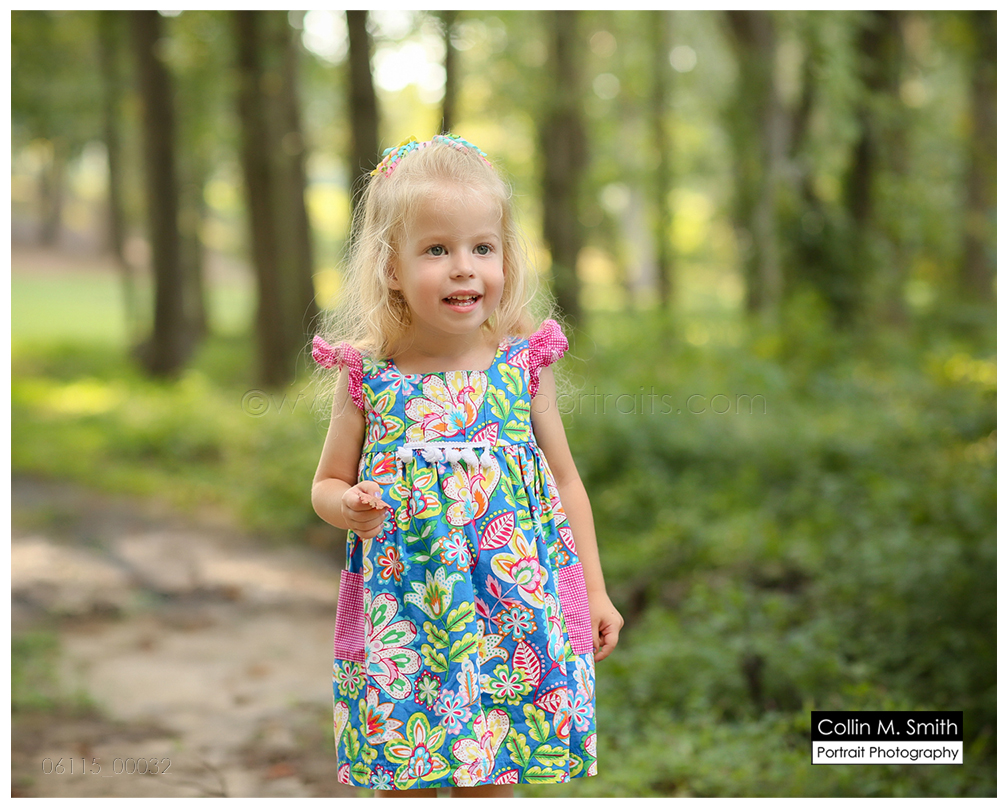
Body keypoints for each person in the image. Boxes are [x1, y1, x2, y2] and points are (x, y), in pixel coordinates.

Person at [310, 134, 623, 797]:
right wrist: (349, 505)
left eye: (482, 248)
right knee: (407, 776)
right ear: (391, 267)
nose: (463, 268)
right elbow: (326, 483)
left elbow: (566, 481)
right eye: (436, 250)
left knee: (493, 777)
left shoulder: (521, 366)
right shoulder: (368, 376)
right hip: (408, 620)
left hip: (513, 617)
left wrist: (593, 591)